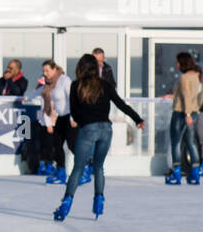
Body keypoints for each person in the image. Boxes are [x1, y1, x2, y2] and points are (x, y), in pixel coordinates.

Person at [53, 54, 146, 221]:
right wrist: (138, 119)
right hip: (106, 130)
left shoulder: (76, 86)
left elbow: (74, 112)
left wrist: (83, 122)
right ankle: (99, 201)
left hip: (88, 129)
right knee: (98, 167)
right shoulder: (105, 85)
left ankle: (66, 203)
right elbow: (121, 104)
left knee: (78, 169)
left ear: (80, 68)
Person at [32, 60, 74, 183]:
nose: (45, 73)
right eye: (43, 71)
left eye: (47, 71)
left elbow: (73, 98)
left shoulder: (64, 80)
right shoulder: (49, 84)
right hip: (59, 118)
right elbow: (44, 98)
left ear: (54, 69)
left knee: (73, 146)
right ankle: (61, 173)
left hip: (69, 118)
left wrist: (73, 117)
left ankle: (84, 169)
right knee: (57, 146)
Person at [165, 51, 202, 185]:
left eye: (178, 62)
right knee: (191, 142)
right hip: (194, 112)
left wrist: (187, 114)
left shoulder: (184, 78)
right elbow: (189, 95)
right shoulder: (195, 77)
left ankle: (176, 173)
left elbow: (186, 96)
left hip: (182, 113)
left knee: (176, 142)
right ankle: (195, 173)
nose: (176, 64)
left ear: (182, 63)